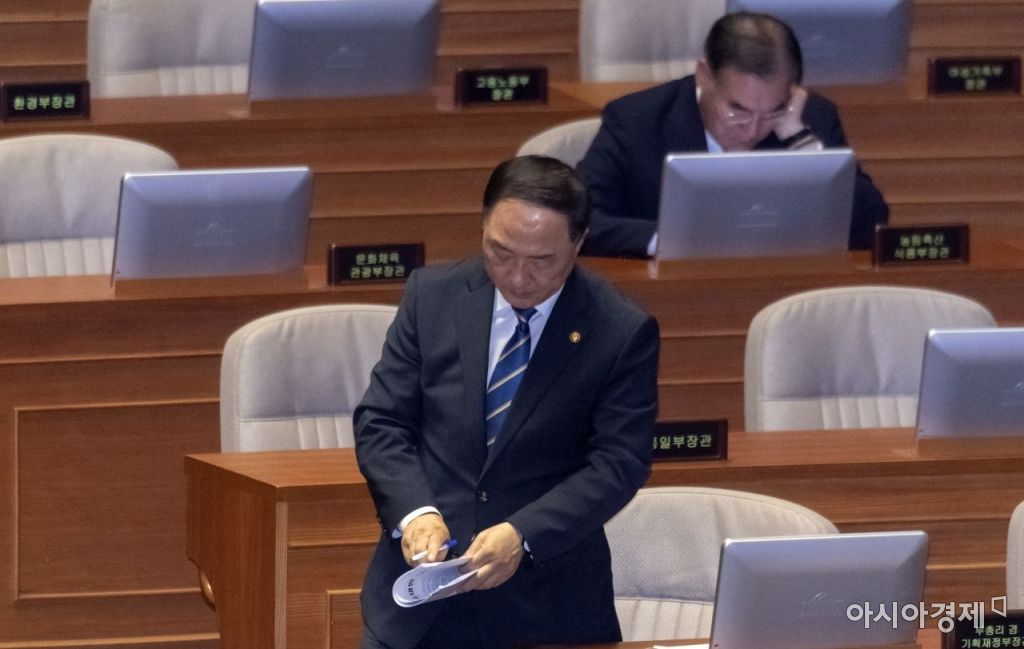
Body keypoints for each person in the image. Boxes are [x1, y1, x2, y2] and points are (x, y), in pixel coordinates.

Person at [354, 155, 660, 649]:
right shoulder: (432, 296)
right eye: (500, 252)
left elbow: (619, 462)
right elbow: (382, 421)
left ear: (578, 243)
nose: (518, 277)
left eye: (542, 261)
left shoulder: (619, 331)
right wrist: (415, 513)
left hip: (549, 608)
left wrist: (523, 532)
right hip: (419, 609)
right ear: (483, 227)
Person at [577, 11, 890, 258]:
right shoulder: (637, 120)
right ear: (704, 76)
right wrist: (670, 241)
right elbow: (579, 221)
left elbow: (872, 222)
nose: (752, 129)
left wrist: (801, 141)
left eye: (772, 112)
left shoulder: (812, 118)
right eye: (737, 111)